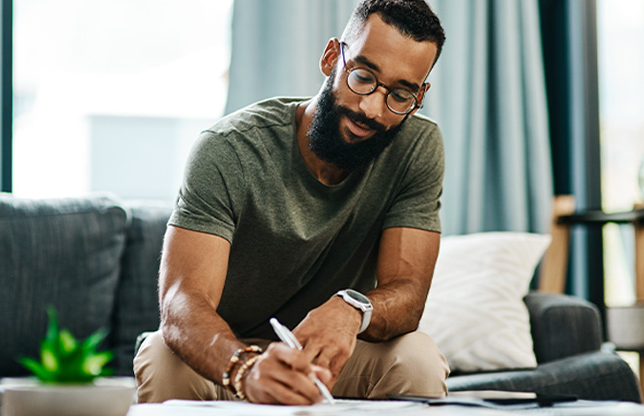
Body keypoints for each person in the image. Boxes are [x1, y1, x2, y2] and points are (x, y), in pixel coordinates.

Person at [134, 0, 449, 405]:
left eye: (400, 95)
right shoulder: (228, 150)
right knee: (163, 356)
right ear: (332, 57)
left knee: (416, 357)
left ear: (419, 96)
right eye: (363, 77)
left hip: (328, 357)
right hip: (228, 354)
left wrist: (351, 309)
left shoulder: (417, 147)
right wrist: (245, 369)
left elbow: (408, 293)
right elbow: (182, 302)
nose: (371, 108)